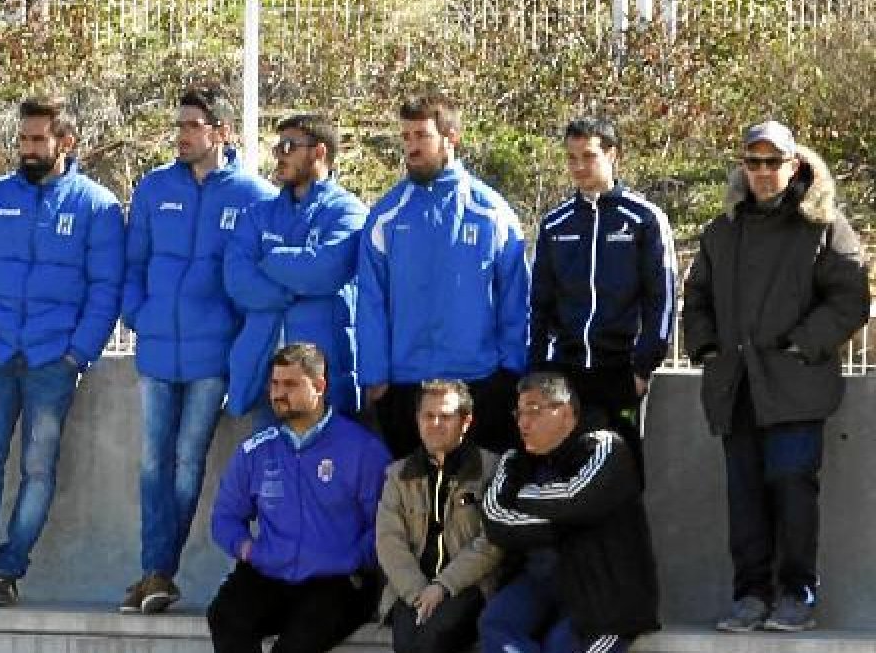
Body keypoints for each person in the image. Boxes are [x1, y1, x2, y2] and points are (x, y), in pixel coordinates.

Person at [683, 120, 869, 633]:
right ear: (742, 167)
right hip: (735, 387)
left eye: (774, 162)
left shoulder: (824, 226)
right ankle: (750, 594)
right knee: (744, 497)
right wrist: (710, 348)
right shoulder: (722, 231)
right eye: (754, 162)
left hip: (795, 386)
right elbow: (695, 297)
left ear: (796, 164)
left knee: (791, 488)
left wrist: (800, 345)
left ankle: (796, 595)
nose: (764, 172)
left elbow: (851, 298)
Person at [0, 97, 125, 607]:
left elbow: (104, 288)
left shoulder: (98, 206)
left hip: (53, 361)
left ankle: (8, 570)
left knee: (38, 470)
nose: (27, 149)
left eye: (38, 139)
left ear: (65, 141)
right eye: (22, 139)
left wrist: (77, 354)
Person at [119, 87, 275, 613]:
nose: (182, 135)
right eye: (179, 125)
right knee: (150, 465)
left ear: (221, 132)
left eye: (193, 125)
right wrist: (138, 315)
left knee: (188, 463)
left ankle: (162, 569)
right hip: (157, 351)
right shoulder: (154, 187)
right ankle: (153, 570)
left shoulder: (252, 195)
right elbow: (133, 263)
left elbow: (255, 277)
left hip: (213, 357)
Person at [357, 91, 529, 458]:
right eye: (405, 137)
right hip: (406, 384)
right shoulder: (387, 215)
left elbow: (515, 296)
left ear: (451, 138)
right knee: (415, 499)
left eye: (422, 136)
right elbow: (370, 300)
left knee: (474, 499)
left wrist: (511, 370)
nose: (411, 147)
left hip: (478, 380)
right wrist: (375, 375)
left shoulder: (490, 213)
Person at [208, 343, 391, 652]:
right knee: (226, 616)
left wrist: (355, 560)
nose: (279, 393)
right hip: (272, 572)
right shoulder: (256, 451)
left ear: (319, 386)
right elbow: (225, 517)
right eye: (275, 384)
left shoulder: (362, 450)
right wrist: (247, 549)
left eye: (290, 384)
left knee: (295, 647)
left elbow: (386, 524)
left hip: (337, 581)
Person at [528, 117, 677, 478]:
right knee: (563, 469)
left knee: (620, 471)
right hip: (566, 371)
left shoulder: (644, 219)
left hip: (621, 370)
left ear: (613, 155)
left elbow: (664, 296)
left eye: (589, 156)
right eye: (572, 158)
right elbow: (540, 303)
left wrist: (643, 367)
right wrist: (539, 367)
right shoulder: (555, 223)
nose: (579, 166)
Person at [480, 372, 659, 653]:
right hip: (539, 580)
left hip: (602, 589)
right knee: (496, 623)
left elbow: (575, 497)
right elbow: (494, 518)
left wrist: (523, 496)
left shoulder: (606, 446)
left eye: (533, 411)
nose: (523, 422)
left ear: (563, 412)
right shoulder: (515, 458)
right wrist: (568, 523)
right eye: (519, 412)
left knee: (562, 645)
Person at [224, 113, 367, 422]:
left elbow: (325, 271)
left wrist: (270, 258)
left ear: (319, 152)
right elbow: (236, 279)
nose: (279, 154)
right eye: (278, 146)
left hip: (323, 382)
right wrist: (297, 287)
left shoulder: (348, 212)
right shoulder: (257, 214)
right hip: (264, 379)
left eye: (289, 146)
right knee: (267, 469)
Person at [376, 379, 501, 653]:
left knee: (431, 641)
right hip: (411, 586)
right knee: (407, 644)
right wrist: (418, 590)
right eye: (428, 416)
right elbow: (388, 541)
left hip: (468, 585)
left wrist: (443, 586)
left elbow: (493, 541)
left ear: (465, 421)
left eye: (445, 416)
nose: (435, 424)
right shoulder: (398, 474)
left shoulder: (490, 469)